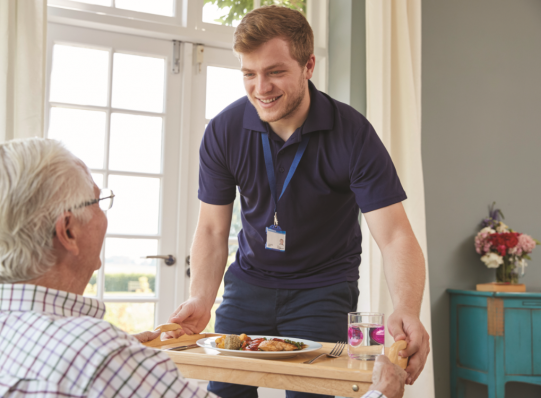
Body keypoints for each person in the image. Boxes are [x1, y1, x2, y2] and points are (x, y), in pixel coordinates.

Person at [168, 5, 430, 398]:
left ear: (309, 66)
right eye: (249, 74)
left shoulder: (353, 133)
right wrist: (201, 298)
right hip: (248, 285)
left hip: (322, 289)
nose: (261, 87)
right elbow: (211, 227)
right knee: (224, 391)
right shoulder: (224, 131)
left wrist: (407, 308)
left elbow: (394, 235)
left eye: (275, 72)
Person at [0, 138, 216, 398]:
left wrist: (123, 358)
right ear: (68, 231)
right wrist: (119, 358)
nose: (104, 215)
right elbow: (89, 359)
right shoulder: (100, 356)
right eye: (97, 201)